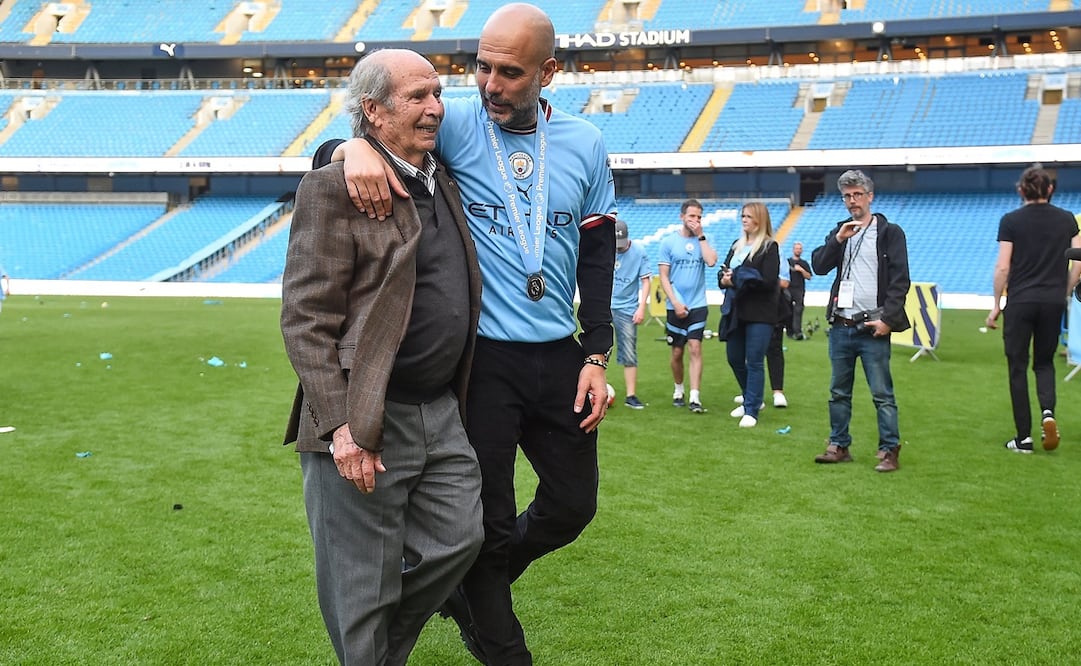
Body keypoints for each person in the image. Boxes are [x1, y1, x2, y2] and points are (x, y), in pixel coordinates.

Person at [329, 5, 617, 663]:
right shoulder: (454, 122)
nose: (488, 84)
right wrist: (349, 149)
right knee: (484, 527)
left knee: (571, 507)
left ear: (548, 72)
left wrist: (596, 352)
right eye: (481, 66)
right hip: (481, 362)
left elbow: (598, 254)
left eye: (509, 72)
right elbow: (360, 132)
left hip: (559, 355)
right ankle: (502, 646)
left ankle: (465, 591)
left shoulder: (584, 143)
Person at [280, 49, 485, 666]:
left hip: (440, 409)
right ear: (373, 110)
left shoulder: (441, 175)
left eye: (438, 94)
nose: (435, 108)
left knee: (460, 538)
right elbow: (305, 319)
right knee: (359, 588)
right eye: (419, 96)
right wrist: (342, 426)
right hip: (365, 411)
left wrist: (353, 143)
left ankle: (375, 654)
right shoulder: (332, 187)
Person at [810, 169, 910, 473]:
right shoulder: (841, 230)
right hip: (841, 324)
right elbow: (818, 266)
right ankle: (839, 445)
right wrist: (837, 241)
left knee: (882, 393)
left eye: (857, 194)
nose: (852, 201)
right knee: (838, 391)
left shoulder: (889, 232)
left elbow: (900, 281)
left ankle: (889, 449)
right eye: (847, 196)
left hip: (872, 326)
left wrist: (889, 321)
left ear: (870, 196)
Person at [985, 164, 1081, 453]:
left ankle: (1023, 437)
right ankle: (1048, 413)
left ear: (1020, 190)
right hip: (1052, 301)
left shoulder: (1011, 221)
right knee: (1044, 363)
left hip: (1021, 301)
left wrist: (996, 304)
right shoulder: (1067, 220)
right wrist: (1063, 292)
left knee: (1017, 366)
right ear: (1050, 190)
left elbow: (1003, 266)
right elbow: (1077, 262)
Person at [718, 202, 780, 428]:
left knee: (754, 360)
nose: (744, 220)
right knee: (734, 357)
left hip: (760, 313)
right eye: (742, 216)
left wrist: (736, 279)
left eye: (748, 216)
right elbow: (724, 272)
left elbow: (768, 281)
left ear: (759, 220)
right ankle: (750, 396)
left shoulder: (769, 247)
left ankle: (752, 408)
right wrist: (725, 279)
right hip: (735, 311)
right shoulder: (737, 245)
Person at [659, 198, 718, 413]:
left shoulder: (706, 238)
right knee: (676, 353)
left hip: (698, 304)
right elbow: (663, 276)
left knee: (695, 346)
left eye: (699, 217)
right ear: (682, 216)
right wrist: (675, 302)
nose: (695, 220)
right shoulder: (668, 242)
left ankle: (695, 397)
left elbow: (711, 261)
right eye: (692, 216)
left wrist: (701, 235)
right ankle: (678, 388)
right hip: (675, 304)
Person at [611, 218, 651, 409]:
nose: (619, 248)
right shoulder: (605, 249)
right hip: (604, 307)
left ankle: (631, 395)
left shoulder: (639, 252)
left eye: (622, 244)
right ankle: (595, 392)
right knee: (597, 350)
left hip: (627, 308)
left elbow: (645, 281)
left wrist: (641, 307)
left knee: (629, 352)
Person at [788, 241, 811, 338]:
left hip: (799, 289)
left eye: (800, 248)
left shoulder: (804, 263)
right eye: (796, 248)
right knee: (788, 311)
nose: (798, 250)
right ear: (793, 250)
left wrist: (801, 270)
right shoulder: (787, 262)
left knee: (798, 310)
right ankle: (789, 331)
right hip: (788, 289)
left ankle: (797, 331)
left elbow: (809, 276)